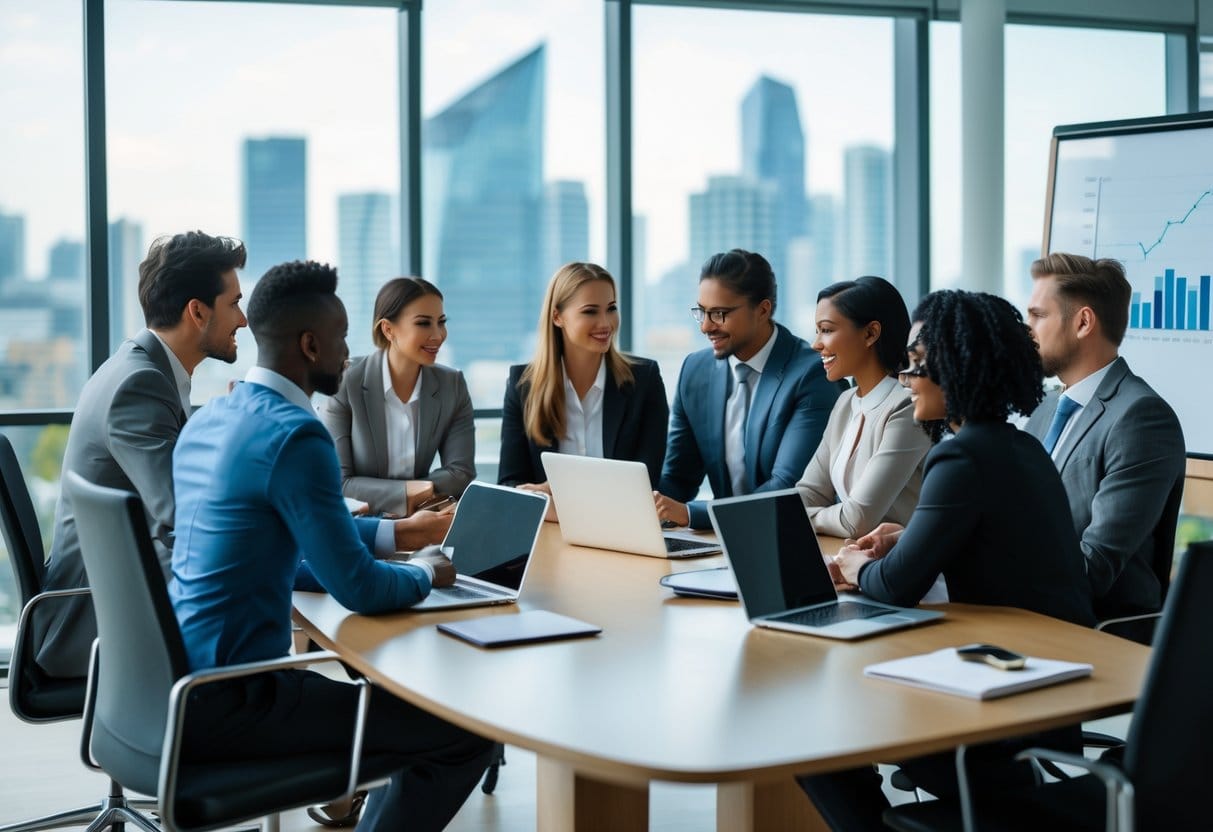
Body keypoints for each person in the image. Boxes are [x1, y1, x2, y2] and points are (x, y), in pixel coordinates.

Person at [171, 260, 491, 832]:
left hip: (180, 684)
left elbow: (291, 536)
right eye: (342, 338)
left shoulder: (211, 417)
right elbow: (361, 588)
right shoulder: (297, 435)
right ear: (311, 344)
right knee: (467, 730)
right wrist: (423, 572)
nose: (349, 352)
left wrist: (400, 534)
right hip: (240, 702)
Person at [799, 290, 1094, 831]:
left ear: (953, 368)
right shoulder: (1016, 446)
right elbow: (990, 544)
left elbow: (894, 588)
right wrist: (906, 536)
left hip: (997, 709)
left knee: (811, 733)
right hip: (1042, 685)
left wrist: (851, 564)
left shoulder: (961, 455)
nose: (907, 377)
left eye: (915, 364)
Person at [33, 230, 248, 679]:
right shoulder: (140, 384)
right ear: (197, 311)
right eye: (234, 303)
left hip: (118, 599)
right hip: (94, 624)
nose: (243, 320)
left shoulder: (144, 370)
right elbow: (183, 513)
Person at [1023, 253, 1185, 624]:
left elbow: (1092, 568)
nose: (1027, 328)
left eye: (1038, 315)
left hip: (1097, 633)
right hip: (1029, 617)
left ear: (1083, 322)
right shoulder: (1044, 410)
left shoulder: (1140, 418)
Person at [655, 249, 839, 530]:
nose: (706, 326)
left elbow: (787, 489)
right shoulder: (695, 371)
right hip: (723, 544)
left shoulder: (812, 375)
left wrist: (692, 515)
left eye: (719, 314)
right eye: (701, 312)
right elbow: (678, 479)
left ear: (763, 310)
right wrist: (646, 505)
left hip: (790, 537)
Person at [498, 261, 669, 495]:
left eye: (611, 308)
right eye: (590, 311)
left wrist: (563, 494)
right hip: (549, 526)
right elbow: (510, 484)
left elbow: (647, 482)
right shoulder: (522, 385)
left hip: (620, 526)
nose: (606, 323)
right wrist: (541, 495)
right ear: (557, 317)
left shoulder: (644, 380)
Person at [320, 277, 475, 516]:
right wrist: (414, 492)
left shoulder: (452, 385)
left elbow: (461, 473)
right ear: (388, 329)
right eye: (423, 323)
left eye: (441, 322)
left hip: (429, 521)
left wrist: (414, 493)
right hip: (362, 527)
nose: (438, 335)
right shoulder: (346, 382)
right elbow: (338, 484)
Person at [796, 276, 930, 539]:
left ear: (870, 333)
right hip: (849, 558)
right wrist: (813, 514)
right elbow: (807, 493)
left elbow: (856, 520)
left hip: (895, 569)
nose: (816, 344)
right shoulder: (845, 402)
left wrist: (803, 517)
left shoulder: (906, 406)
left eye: (826, 330)